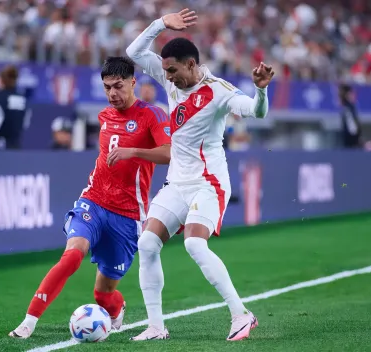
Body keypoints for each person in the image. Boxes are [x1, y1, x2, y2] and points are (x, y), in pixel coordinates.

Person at [126, 9, 274, 341]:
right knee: (147, 243)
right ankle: (155, 325)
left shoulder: (220, 91)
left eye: (174, 70)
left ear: (191, 65)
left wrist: (261, 90)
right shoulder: (169, 76)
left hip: (209, 183)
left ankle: (241, 314)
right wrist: (161, 24)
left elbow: (257, 112)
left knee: (194, 242)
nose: (168, 77)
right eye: (165, 71)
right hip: (177, 182)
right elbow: (134, 53)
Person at [9, 56, 171, 339]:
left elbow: (169, 153)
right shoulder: (105, 115)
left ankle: (116, 308)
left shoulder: (153, 115)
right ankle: (28, 321)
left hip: (127, 216)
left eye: (118, 86)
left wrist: (133, 153)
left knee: (103, 294)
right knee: (72, 256)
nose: (112, 94)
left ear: (133, 82)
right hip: (94, 202)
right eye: (107, 87)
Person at [338, 83, 362, 149]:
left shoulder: (350, 107)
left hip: (352, 135)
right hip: (349, 135)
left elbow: (353, 124)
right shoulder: (347, 107)